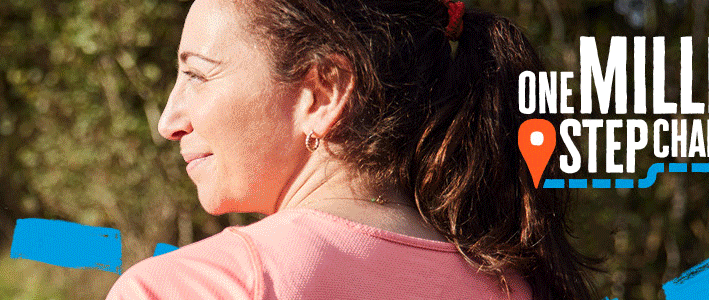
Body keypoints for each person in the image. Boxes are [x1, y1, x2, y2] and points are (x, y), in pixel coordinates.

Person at [106, 0, 593, 299]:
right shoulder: (515, 287)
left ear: (323, 92)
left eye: (196, 74)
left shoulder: (189, 289)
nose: (168, 121)